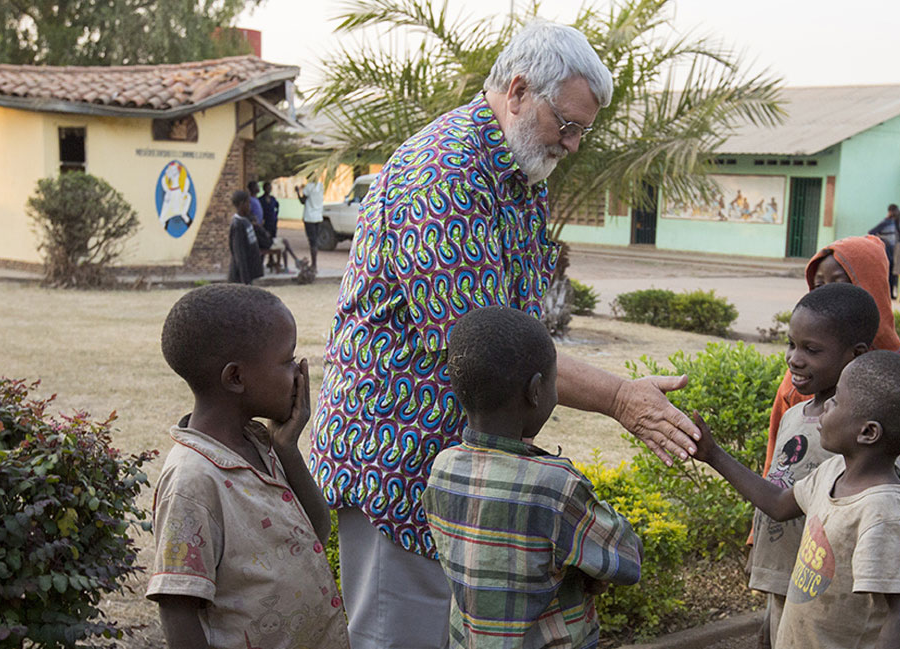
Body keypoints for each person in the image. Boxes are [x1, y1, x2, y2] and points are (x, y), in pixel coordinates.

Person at [308, 20, 700, 649]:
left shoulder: (515, 171)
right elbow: (486, 337)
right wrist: (620, 397)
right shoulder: (443, 176)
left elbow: (520, 330)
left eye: (583, 131)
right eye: (566, 125)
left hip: (463, 466)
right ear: (517, 90)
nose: (572, 145)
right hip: (400, 459)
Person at [424, 305, 642, 648]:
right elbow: (626, 560)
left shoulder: (443, 468)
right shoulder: (555, 485)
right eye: (555, 382)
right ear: (536, 390)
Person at [694, 350, 900, 649]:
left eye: (835, 401)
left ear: (867, 432)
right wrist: (713, 455)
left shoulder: (882, 515)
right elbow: (778, 504)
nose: (824, 409)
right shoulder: (835, 470)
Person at [148, 284, 349, 649]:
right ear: (236, 378)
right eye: (288, 361)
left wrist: (287, 449)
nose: (300, 374)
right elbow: (178, 609)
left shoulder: (257, 445)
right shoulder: (193, 480)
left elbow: (317, 533)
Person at [760, 235, 900, 567]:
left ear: (872, 286)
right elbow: (777, 456)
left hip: (859, 553)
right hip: (790, 543)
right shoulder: (800, 376)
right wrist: (757, 537)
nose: (826, 293)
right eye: (818, 284)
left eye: (839, 282)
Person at [749, 283, 878, 646]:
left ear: (855, 355)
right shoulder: (793, 416)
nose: (794, 358)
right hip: (783, 574)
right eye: (791, 344)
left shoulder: (863, 433)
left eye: (811, 349)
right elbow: (776, 485)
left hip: (826, 589)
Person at [227, 190, 264, 285]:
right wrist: (245, 281)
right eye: (248, 203)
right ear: (241, 204)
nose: (250, 206)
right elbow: (239, 254)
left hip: (249, 273)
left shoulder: (246, 221)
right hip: (240, 278)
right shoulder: (237, 225)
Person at [867, 204, 900, 289]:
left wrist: (899, 218)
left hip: (894, 251)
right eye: (897, 211)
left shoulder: (894, 222)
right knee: (887, 270)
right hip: (887, 250)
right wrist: (882, 241)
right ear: (892, 211)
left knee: (892, 271)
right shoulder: (885, 222)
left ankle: (891, 292)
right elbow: (871, 232)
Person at [299, 178, 324, 270]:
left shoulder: (308, 187)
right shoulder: (321, 186)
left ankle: (314, 264)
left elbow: (302, 201)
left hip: (309, 217)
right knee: (315, 241)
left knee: (312, 242)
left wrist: (298, 192)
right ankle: (314, 263)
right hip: (318, 216)